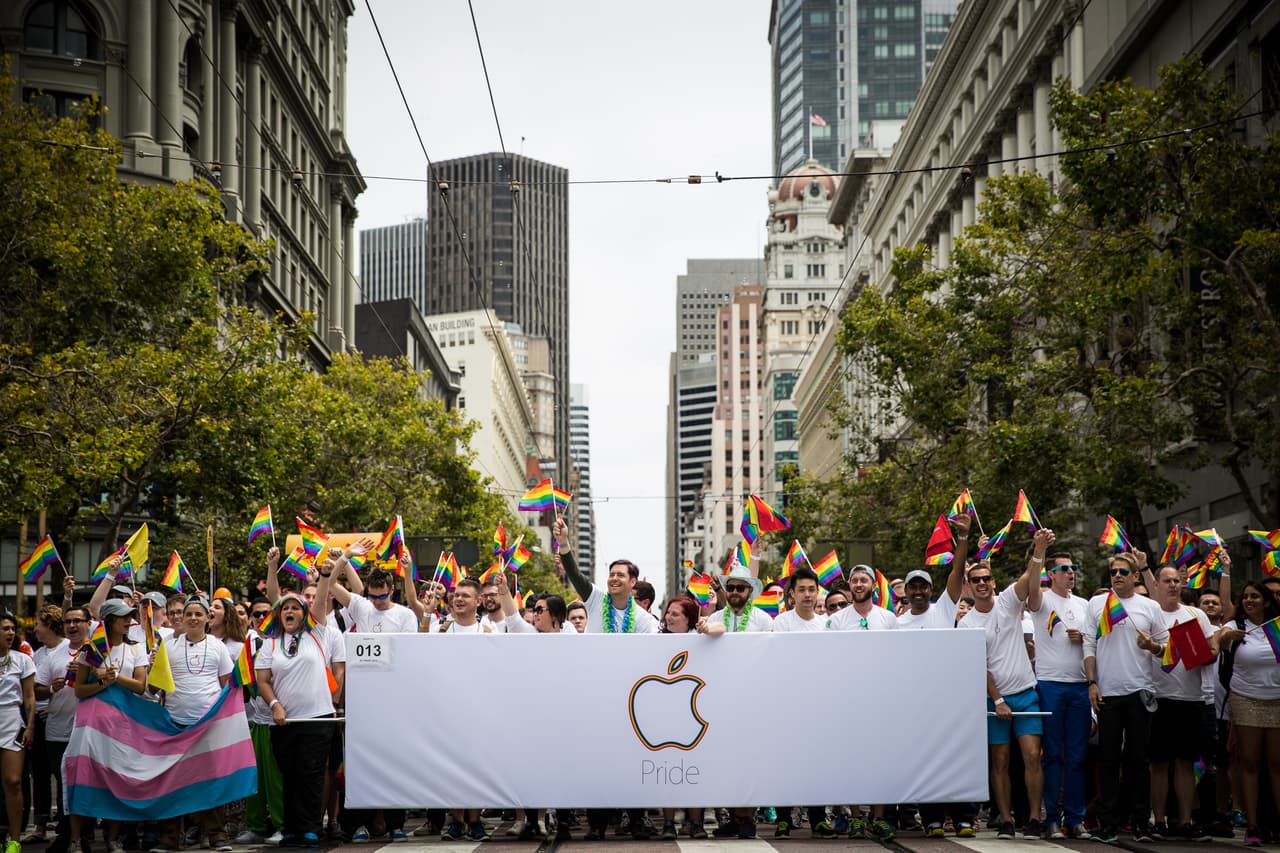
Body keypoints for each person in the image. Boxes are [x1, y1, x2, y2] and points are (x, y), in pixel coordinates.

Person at [962, 528, 1054, 840]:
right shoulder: (967, 622)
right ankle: (1004, 820)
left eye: (986, 578)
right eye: (976, 580)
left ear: (993, 582)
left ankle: (1032, 817)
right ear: (969, 586)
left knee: (1031, 756)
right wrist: (998, 700)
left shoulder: (1008, 602)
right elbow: (978, 667)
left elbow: (1030, 579)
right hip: (993, 700)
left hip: (1026, 694)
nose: (982, 584)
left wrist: (1038, 549)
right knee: (999, 761)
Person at [254, 549, 347, 849]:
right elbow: (263, 681)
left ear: (305, 614)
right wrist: (275, 705)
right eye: (285, 609)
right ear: (279, 615)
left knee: (310, 775)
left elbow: (320, 599)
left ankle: (309, 829)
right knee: (289, 777)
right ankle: (291, 828)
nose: (290, 611)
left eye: (296, 607)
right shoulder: (270, 644)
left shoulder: (317, 634)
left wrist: (325, 575)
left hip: (316, 719)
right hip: (283, 722)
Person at [1082, 550, 1162, 844]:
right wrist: (1092, 682)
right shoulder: (1097, 603)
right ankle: (1107, 823)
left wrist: (1151, 645)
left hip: (1140, 691)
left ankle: (1140, 821)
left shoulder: (1149, 606)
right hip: (1108, 693)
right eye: (1113, 572)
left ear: (1135, 576)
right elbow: (1089, 644)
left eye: (1123, 572)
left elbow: (1166, 650)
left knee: (1138, 760)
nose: (1117, 576)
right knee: (1109, 758)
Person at [151, 596, 234, 853]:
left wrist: (222, 720)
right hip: (175, 724)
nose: (194, 618)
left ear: (208, 618)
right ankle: (169, 839)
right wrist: (155, 663)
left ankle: (217, 836)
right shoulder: (168, 646)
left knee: (211, 781)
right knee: (172, 783)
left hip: (209, 725)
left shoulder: (219, 647)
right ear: (181, 619)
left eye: (199, 614)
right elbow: (154, 687)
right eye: (189, 615)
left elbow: (228, 686)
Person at [1142, 565, 1217, 841]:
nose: (1173, 585)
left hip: (1191, 698)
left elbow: (1211, 651)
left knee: (1186, 763)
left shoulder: (1196, 614)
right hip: (1159, 699)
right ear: (1157, 584)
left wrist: (1205, 651)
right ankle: (1159, 821)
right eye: (1167, 581)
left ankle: (1185, 822)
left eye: (1177, 581)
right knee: (1159, 763)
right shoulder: (1150, 614)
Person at [72, 596, 148, 853]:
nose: (129, 621)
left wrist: (116, 679)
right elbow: (79, 690)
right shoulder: (91, 649)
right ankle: (75, 840)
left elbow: (140, 686)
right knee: (84, 778)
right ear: (110, 620)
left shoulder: (137, 648)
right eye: (123, 617)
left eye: (130, 616)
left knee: (117, 779)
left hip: (122, 726)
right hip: (91, 725)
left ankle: (112, 839)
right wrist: (101, 683)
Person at [1026, 551, 1091, 840]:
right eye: (1064, 569)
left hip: (1079, 685)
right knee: (1053, 755)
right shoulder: (1041, 600)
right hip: (1050, 684)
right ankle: (1051, 818)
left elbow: (1095, 642)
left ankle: (1075, 819)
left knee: (1077, 756)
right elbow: (1030, 590)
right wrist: (1038, 551)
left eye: (1073, 568)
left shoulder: (1085, 605)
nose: (1070, 573)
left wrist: (1085, 639)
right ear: (1051, 574)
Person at [1216, 580, 1280, 847]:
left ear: (1266, 602)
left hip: (1277, 701)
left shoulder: (1277, 626)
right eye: (1246, 597)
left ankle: (1276, 824)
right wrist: (1226, 639)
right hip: (1245, 701)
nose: (1249, 601)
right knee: (1250, 763)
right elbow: (1216, 642)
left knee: (1277, 766)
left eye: (1255, 597)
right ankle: (1252, 825)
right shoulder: (1236, 627)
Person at [554, 519, 657, 636]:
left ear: (632, 581)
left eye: (620, 575)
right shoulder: (596, 599)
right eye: (612, 575)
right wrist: (562, 541)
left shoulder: (643, 619)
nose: (614, 578)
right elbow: (574, 574)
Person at [36, 606, 79, 850]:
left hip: (86, 730)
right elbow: (38, 689)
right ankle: (65, 833)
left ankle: (83, 833)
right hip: (57, 731)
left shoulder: (94, 652)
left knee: (83, 783)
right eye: (68, 621)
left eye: (77, 621)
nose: (72, 626)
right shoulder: (52, 656)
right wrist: (52, 688)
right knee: (62, 784)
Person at [28, 606, 66, 845]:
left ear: (50, 625)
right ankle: (40, 825)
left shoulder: (66, 649)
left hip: (61, 720)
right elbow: (35, 688)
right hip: (40, 720)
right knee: (40, 774)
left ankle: (65, 824)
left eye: (39, 624)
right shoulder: (38, 654)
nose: (35, 629)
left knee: (62, 776)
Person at [0, 613, 36, 853]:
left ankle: (15, 839)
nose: (10, 633)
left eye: (12, 629)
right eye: (5, 629)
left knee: (13, 782)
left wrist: (30, 726)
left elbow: (30, 696)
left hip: (12, 720)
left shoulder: (22, 660)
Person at [708, 565, 772, 633]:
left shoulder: (763, 620)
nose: (734, 592)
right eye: (730, 588)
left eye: (740, 588)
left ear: (750, 590)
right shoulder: (714, 619)